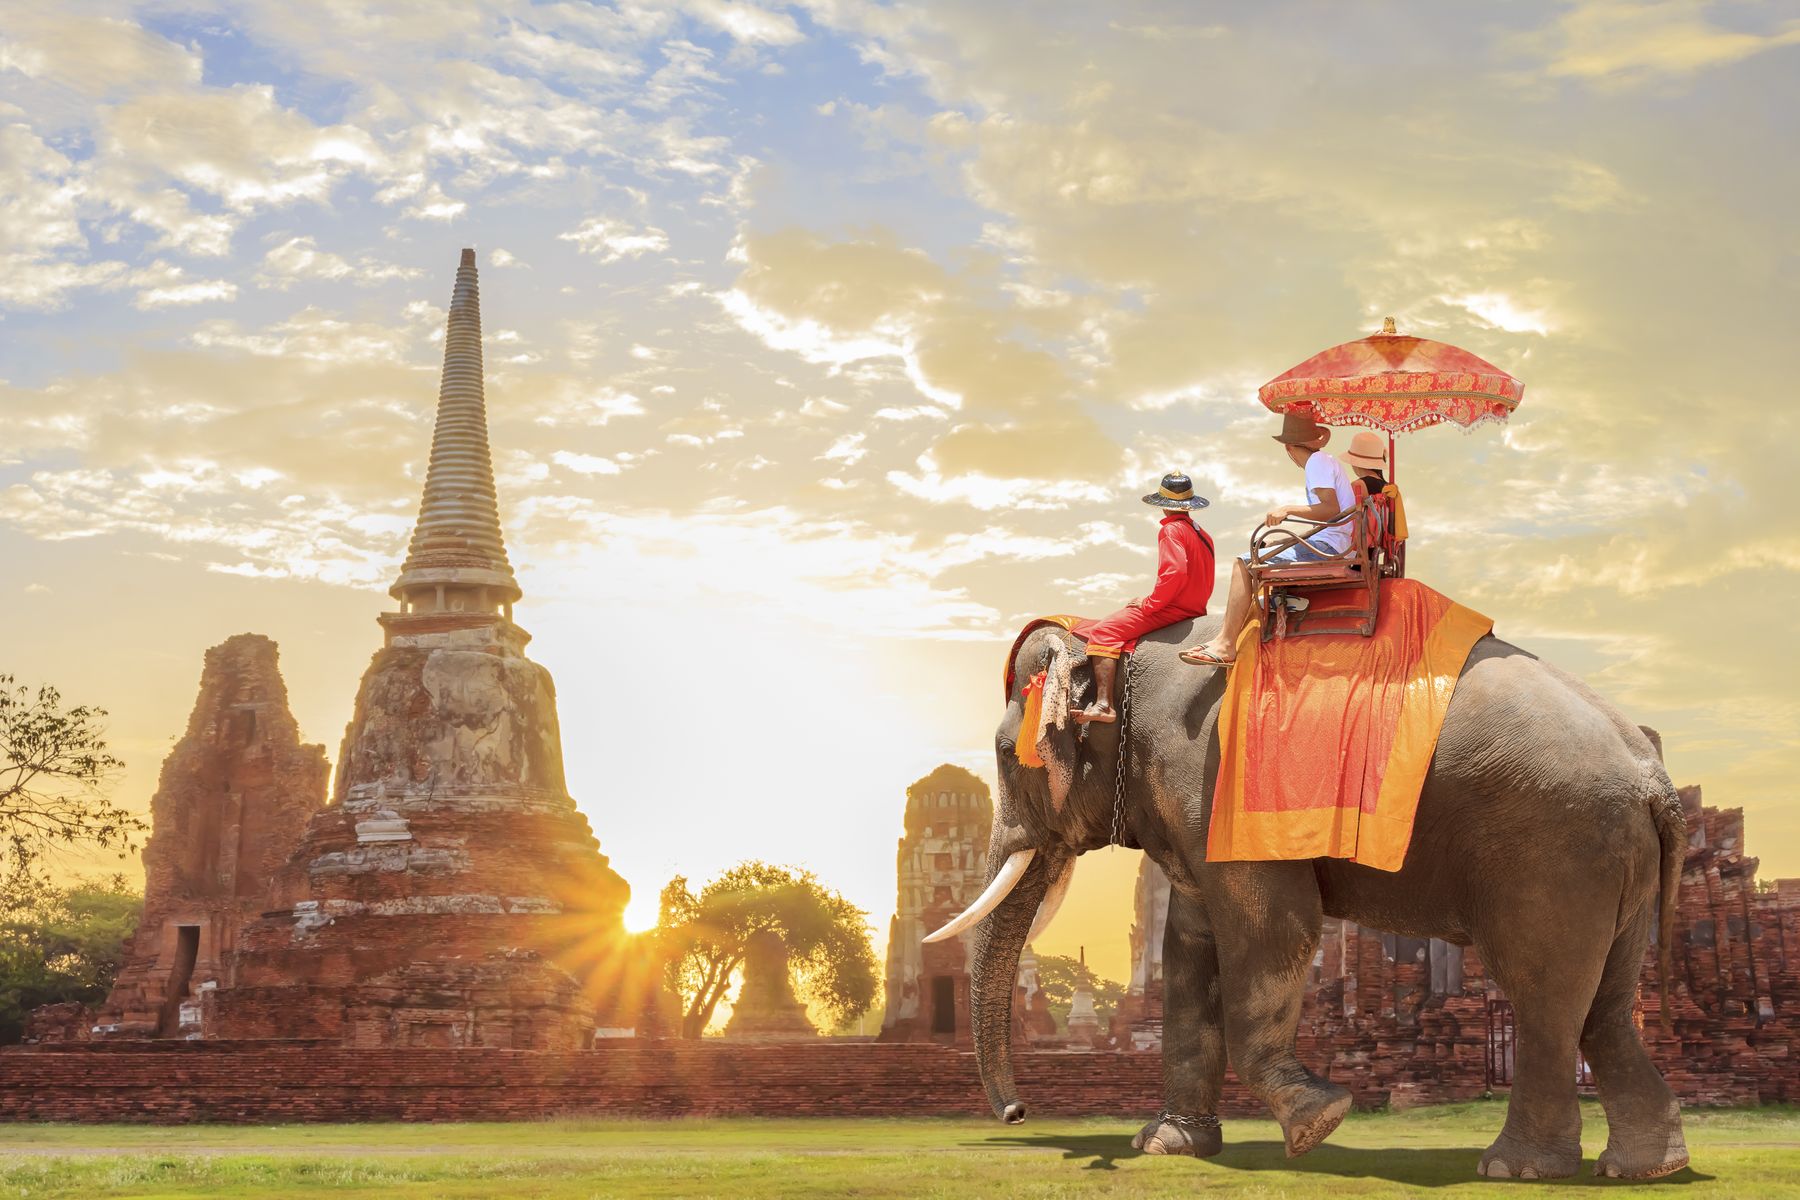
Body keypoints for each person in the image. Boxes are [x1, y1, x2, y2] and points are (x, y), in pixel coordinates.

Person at [1178, 411, 1355, 668]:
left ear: (1288, 448)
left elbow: (1330, 509)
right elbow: (1331, 517)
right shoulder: (1326, 461)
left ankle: (1226, 643)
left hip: (1329, 547)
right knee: (1269, 548)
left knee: (1244, 562)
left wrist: (1288, 509)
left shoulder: (1317, 463)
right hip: (1333, 542)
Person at [1074, 473, 1215, 723]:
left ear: (1163, 505)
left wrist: (1149, 603)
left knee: (1104, 631)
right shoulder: (1203, 534)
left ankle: (1105, 705)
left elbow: (1175, 572)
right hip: (1196, 608)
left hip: (1173, 608)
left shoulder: (1171, 530)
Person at [1344, 430, 1408, 550]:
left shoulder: (1358, 485)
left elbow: (1344, 517)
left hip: (1357, 547)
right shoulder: (1388, 487)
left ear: (1355, 463)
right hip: (1376, 545)